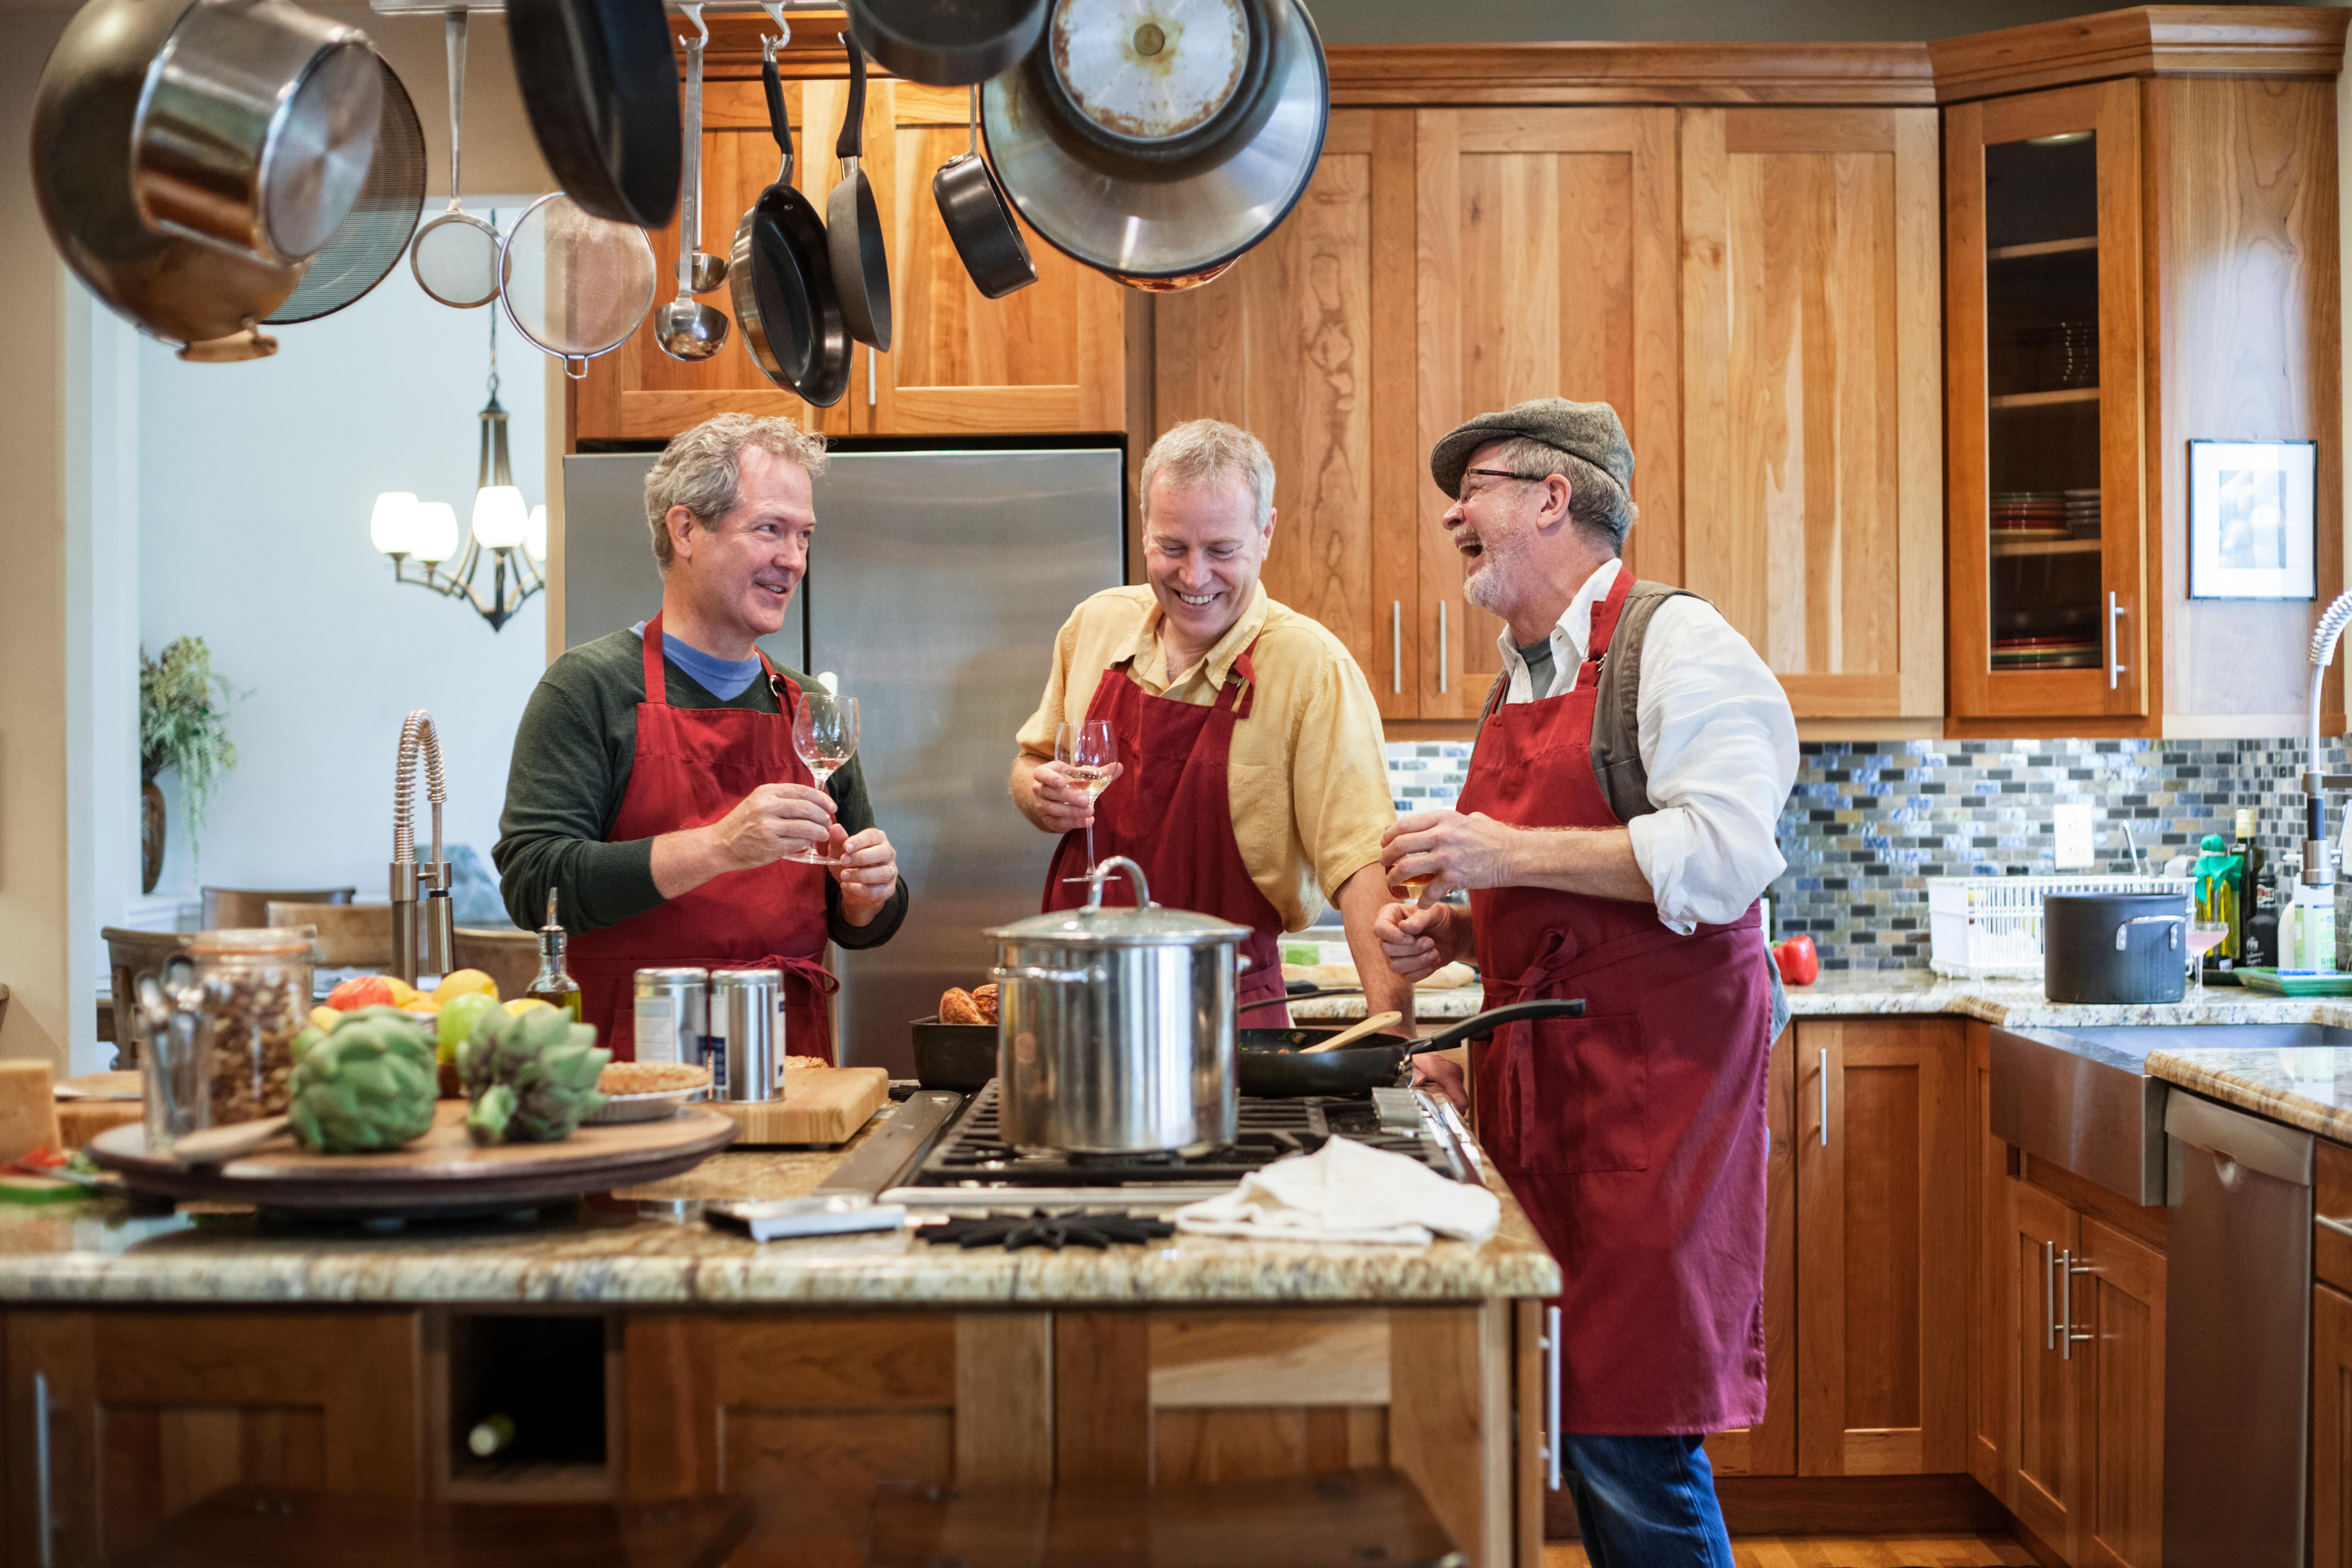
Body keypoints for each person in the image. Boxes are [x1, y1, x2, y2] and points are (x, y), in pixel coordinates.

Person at [1373, 398, 1796, 1566]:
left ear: (1554, 498)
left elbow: (1728, 855)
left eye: (1479, 488)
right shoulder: (1522, 678)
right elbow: (1571, 898)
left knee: (1631, 1430)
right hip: (1554, 1094)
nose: (1454, 514)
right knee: (1586, 1419)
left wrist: (1497, 854)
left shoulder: (1677, 644)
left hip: (1656, 1101)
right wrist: (1462, 929)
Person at [495, 414, 907, 1062]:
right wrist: (720, 845)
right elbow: (534, 883)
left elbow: (861, 917)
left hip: (790, 1064)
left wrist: (868, 894)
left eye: (804, 536)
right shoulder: (587, 689)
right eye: (769, 529)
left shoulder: (808, 705)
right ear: (685, 530)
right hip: (633, 1066)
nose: (793, 560)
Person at [1010, 419, 1411, 1025]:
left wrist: (1398, 1038)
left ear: (1266, 531)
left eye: (1221, 551)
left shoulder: (1312, 667)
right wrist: (1039, 796)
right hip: (1078, 1008)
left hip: (1230, 1020)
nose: (1193, 578)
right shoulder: (1095, 626)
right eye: (1172, 548)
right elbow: (1030, 763)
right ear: (1144, 528)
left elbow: (1362, 869)